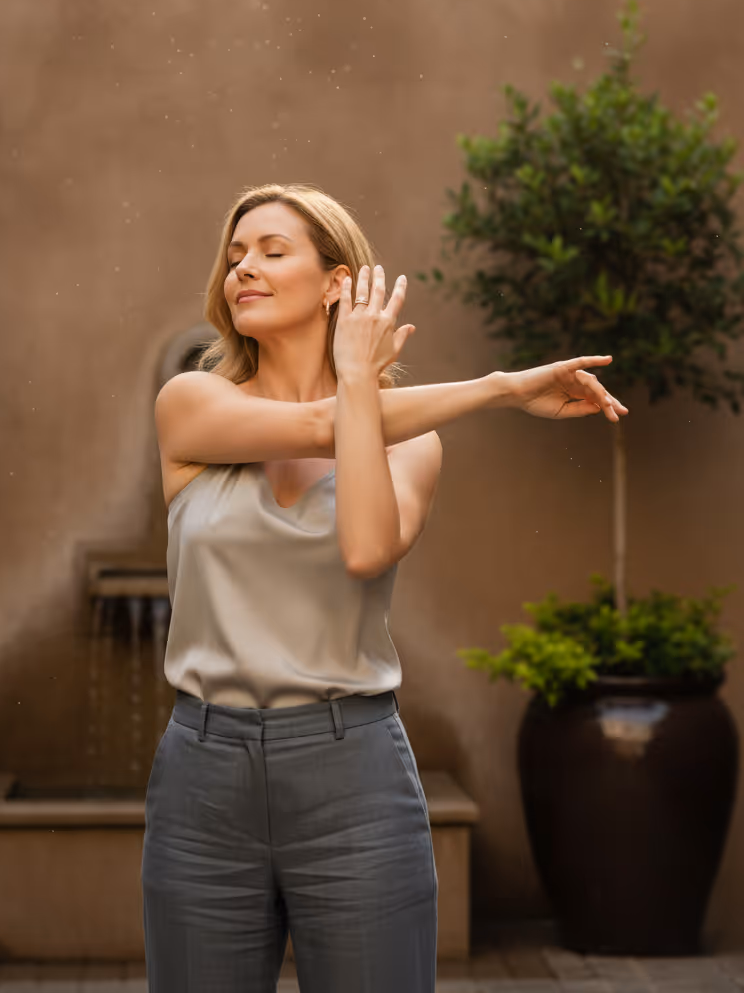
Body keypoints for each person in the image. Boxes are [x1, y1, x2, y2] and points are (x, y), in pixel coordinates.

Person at [142, 183, 628, 993]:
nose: (243, 271)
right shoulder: (192, 404)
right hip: (203, 775)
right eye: (234, 257)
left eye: (271, 251)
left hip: (351, 775)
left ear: (338, 282)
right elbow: (310, 427)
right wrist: (502, 389)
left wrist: (364, 386)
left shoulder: (415, 446)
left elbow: (365, 549)